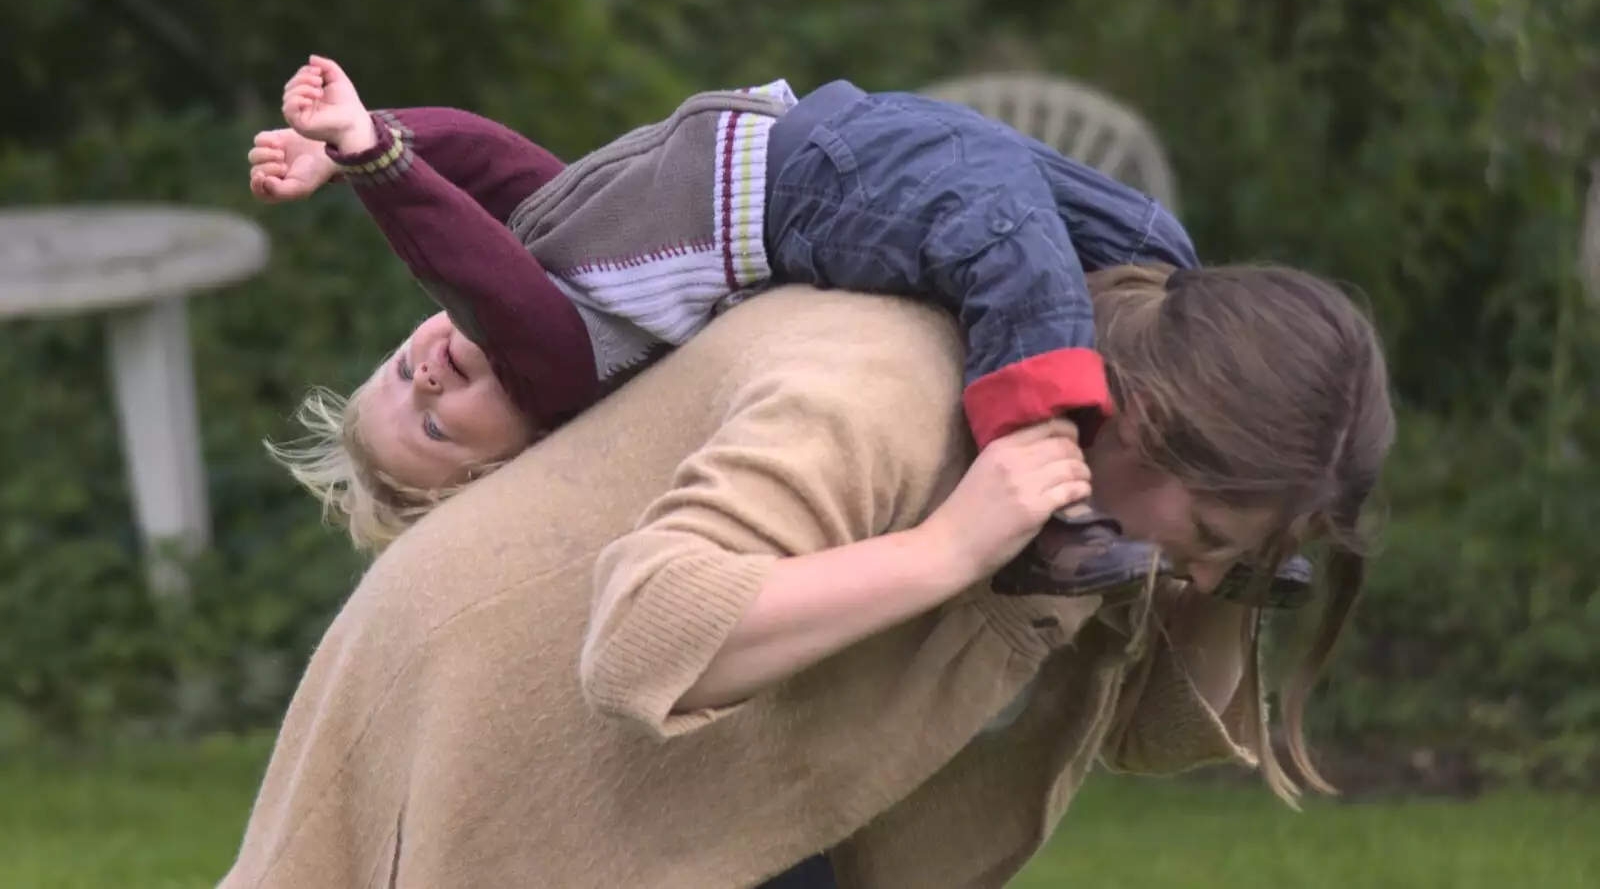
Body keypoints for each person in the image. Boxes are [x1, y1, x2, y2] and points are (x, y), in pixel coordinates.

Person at [219, 266, 1394, 888]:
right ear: (1159, 419)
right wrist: (947, 550)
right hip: (507, 712)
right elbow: (646, 637)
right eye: (1218, 527)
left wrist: (1224, 572)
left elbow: (1146, 733)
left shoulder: (1078, 455)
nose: (1206, 563)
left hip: (703, 776)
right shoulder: (881, 389)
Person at [249, 57, 1311, 604]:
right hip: (812, 196)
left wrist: (367, 141)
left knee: (1149, 242)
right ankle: (1052, 505)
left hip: (835, 137)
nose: (428, 379)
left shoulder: (560, 244)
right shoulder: (568, 359)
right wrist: (383, 175)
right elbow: (480, 279)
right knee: (1004, 230)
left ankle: (1229, 480)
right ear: (520, 452)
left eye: (400, 373)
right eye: (439, 428)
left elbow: (487, 163)